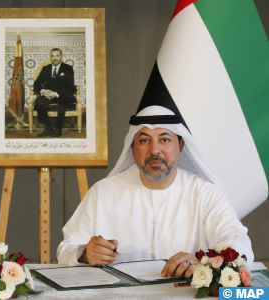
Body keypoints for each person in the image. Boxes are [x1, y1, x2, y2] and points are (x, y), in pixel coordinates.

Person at [57, 105, 254, 279]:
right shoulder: (103, 192)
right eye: (144, 141)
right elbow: (66, 249)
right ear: (132, 148)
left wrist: (202, 261)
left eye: (165, 140)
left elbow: (239, 244)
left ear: (181, 146)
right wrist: (85, 254)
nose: (154, 150)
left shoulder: (207, 194)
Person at [33, 48, 76, 137]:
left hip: (63, 95)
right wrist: (43, 91)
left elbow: (69, 86)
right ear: (50, 57)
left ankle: (58, 129)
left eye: (57, 55)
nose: (55, 58)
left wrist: (56, 94)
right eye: (52, 56)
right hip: (49, 96)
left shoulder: (68, 68)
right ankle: (48, 128)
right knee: (38, 101)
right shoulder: (46, 68)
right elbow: (37, 83)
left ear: (61, 56)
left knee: (62, 101)